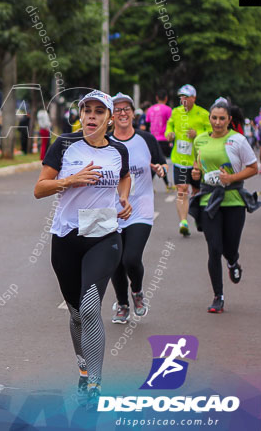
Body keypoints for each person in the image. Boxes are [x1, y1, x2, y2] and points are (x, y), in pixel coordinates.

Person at [34, 90, 131, 406]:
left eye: (98, 111)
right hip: (66, 238)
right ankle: (84, 367)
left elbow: (125, 177)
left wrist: (123, 198)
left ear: (109, 117)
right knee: (76, 314)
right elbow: (39, 189)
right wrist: (69, 180)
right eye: (86, 110)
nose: (91, 116)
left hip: (104, 236)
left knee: (90, 309)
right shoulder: (63, 145)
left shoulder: (118, 151)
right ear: (81, 115)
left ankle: (95, 387)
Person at [189, 98, 261, 313]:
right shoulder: (200, 140)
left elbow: (253, 167)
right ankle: (218, 296)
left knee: (229, 248)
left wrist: (231, 178)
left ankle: (233, 262)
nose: (217, 122)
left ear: (229, 120)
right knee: (214, 248)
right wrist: (195, 173)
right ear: (209, 119)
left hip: (233, 199)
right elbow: (197, 165)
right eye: (214, 118)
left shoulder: (237, 140)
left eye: (222, 119)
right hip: (209, 200)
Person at [108, 93, 167, 324]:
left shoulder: (146, 139)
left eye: (126, 109)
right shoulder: (105, 142)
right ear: (111, 116)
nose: (123, 113)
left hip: (141, 206)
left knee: (131, 258)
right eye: (118, 109)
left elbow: (160, 160)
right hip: (112, 209)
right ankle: (122, 304)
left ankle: (138, 292)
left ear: (133, 113)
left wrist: (160, 169)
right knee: (115, 260)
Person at [165, 84, 211, 236]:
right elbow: (169, 126)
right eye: (181, 97)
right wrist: (170, 133)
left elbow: (211, 132)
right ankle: (183, 222)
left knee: (197, 191)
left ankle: (197, 216)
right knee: (182, 189)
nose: (183, 99)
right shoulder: (176, 112)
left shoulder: (203, 114)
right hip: (180, 159)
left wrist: (197, 133)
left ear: (194, 98)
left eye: (186, 97)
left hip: (197, 160)